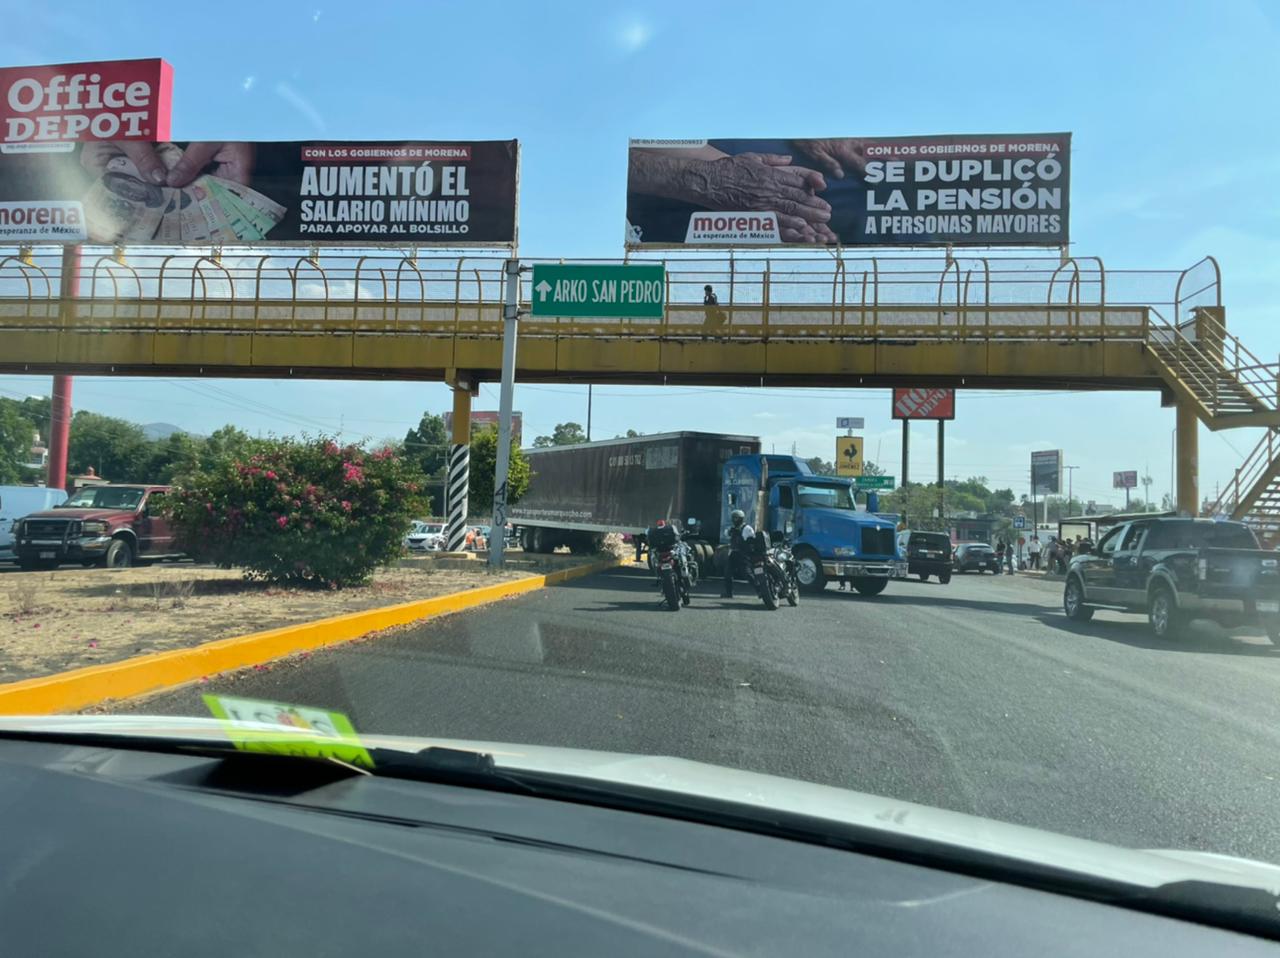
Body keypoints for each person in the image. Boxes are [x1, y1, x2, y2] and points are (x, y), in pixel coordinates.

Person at [722, 509, 756, 598]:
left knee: (747, 574)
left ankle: (760, 589)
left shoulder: (747, 528)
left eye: (736, 518)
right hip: (733, 553)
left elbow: (751, 540)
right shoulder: (731, 529)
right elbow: (726, 534)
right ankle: (728, 593)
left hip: (744, 554)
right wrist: (731, 531)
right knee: (727, 573)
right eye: (733, 518)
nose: (734, 520)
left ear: (741, 519)